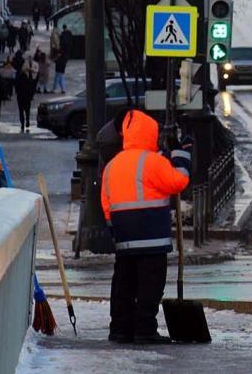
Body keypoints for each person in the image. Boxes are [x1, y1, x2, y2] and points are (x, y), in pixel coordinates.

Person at [101, 110, 191, 344]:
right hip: (152, 236)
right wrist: (181, 153)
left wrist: (114, 230)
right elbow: (178, 181)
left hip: (124, 237)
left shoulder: (113, 165)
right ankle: (144, 329)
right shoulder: (153, 162)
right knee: (150, 285)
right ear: (150, 133)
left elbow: (106, 203)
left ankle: (120, 329)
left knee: (123, 283)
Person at [15, 60, 38, 132]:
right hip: (27, 98)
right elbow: (32, 89)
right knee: (27, 111)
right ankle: (27, 120)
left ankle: (22, 123)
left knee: (21, 111)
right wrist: (31, 96)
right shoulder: (29, 81)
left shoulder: (18, 81)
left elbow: (16, 89)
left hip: (20, 98)